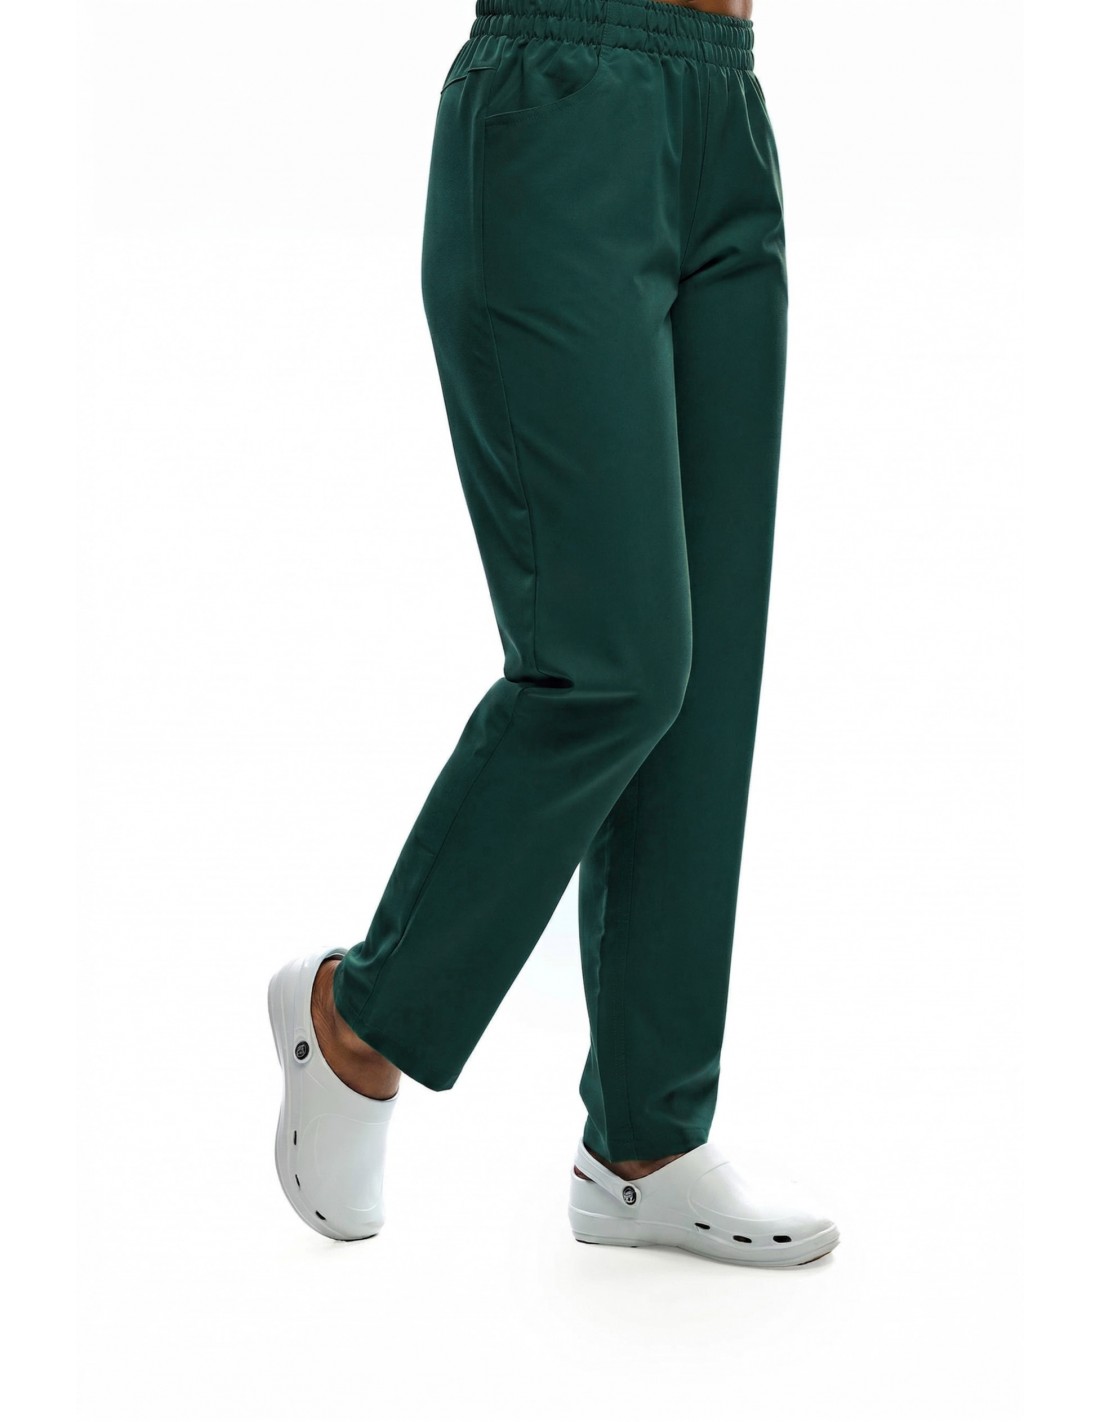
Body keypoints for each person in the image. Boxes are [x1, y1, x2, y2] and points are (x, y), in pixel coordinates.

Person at [268, 0, 839, 1267]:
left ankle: (645, 1149)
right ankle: (358, 1014)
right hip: (562, 94)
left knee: (703, 683)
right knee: (611, 665)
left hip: (726, 107)